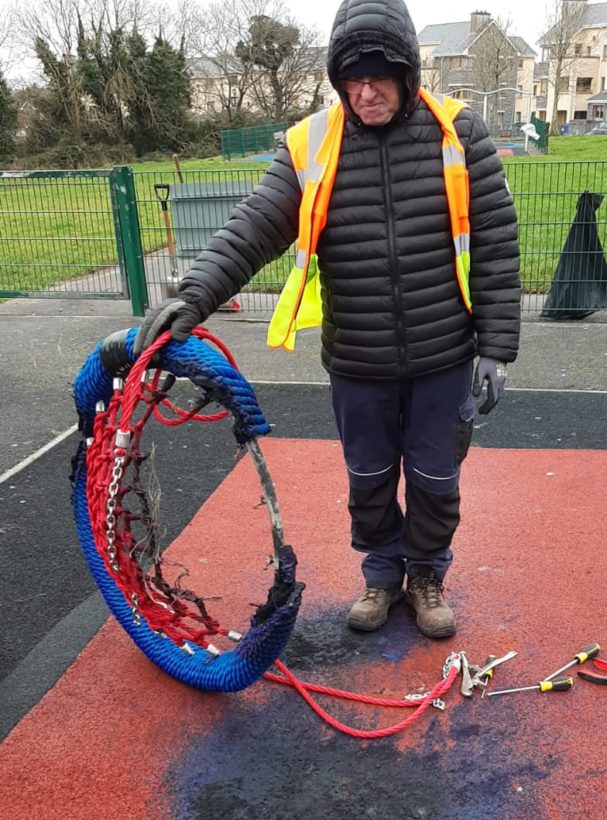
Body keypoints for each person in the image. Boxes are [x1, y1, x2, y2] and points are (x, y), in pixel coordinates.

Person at [135, 0, 521, 640]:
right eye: (352, 80)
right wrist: (195, 292)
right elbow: (253, 228)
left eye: (380, 78)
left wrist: (497, 348)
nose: (364, 93)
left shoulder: (460, 135)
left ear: (408, 73)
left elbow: (498, 246)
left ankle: (425, 574)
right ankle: (380, 573)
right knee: (368, 478)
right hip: (358, 358)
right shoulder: (312, 144)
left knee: (434, 478)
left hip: (444, 353)